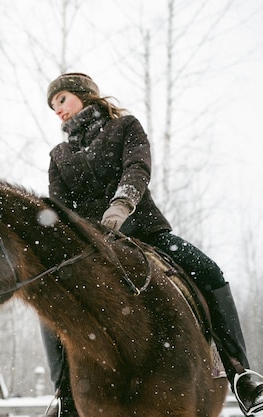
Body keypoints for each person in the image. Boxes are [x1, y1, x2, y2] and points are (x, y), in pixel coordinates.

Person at [39, 72, 263, 417]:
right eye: (53, 106)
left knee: (209, 271)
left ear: (85, 96)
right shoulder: (59, 155)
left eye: (62, 100)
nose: (58, 111)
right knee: (52, 298)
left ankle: (241, 375)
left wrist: (121, 205)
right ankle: (64, 397)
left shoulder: (125, 127)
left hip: (143, 232)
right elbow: (60, 209)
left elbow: (137, 167)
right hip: (91, 250)